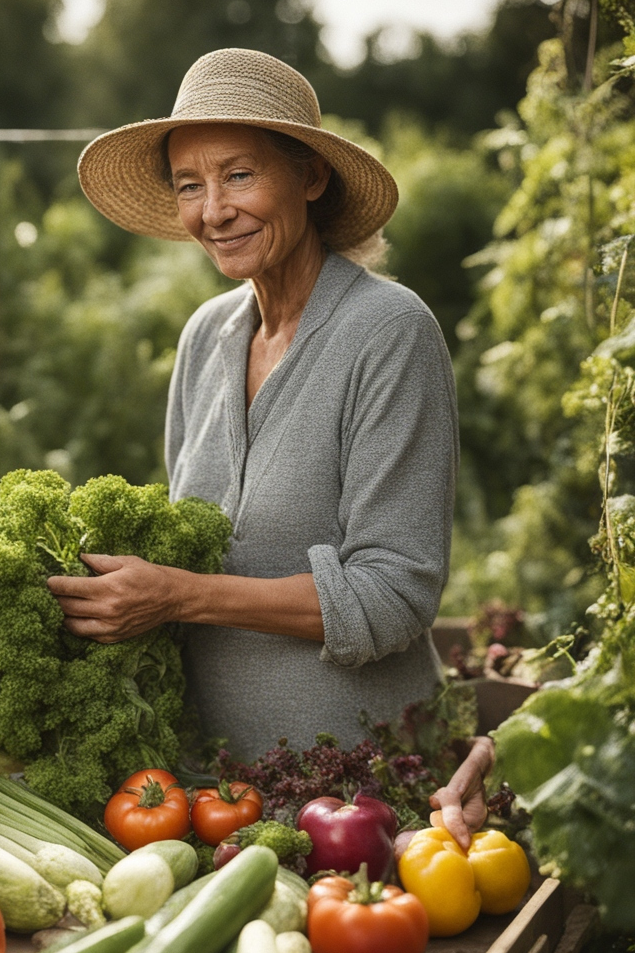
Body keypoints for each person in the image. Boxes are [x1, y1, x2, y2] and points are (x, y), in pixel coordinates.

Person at [47, 47, 494, 848]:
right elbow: (184, 538)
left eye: (239, 176)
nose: (212, 210)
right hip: (203, 797)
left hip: (357, 804)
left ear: (311, 178)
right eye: (190, 184)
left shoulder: (389, 334)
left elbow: (394, 591)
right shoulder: (205, 338)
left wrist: (180, 594)